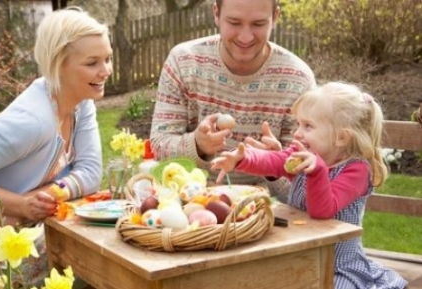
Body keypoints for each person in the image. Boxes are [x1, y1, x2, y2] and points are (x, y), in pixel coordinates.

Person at [0, 6, 111, 287]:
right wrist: (19, 204)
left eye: (108, 59)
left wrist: (42, 197)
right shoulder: (31, 121)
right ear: (59, 64)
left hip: (36, 233)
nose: (105, 71)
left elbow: (92, 173)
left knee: (101, 269)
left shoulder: (83, 103)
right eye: (92, 63)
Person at [211, 82, 408, 289]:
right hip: (297, 255)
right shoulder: (304, 156)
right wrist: (241, 159)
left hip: (335, 263)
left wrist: (317, 171)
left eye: (308, 126)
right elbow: (273, 161)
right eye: (298, 124)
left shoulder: (357, 170)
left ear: (341, 137)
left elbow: (323, 210)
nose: (297, 133)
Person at [149, 0, 316, 201]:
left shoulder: (298, 80)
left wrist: (273, 166)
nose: (245, 37)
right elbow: (158, 146)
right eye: (235, 23)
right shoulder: (183, 62)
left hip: (264, 215)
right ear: (216, 13)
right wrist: (197, 145)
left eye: (258, 24)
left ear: (275, 18)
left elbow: (306, 189)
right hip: (190, 206)